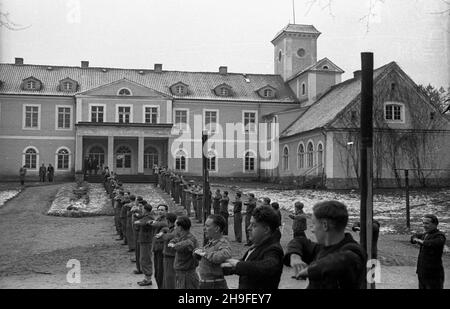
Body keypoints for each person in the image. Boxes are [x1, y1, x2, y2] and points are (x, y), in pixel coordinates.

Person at [284, 201, 367, 289]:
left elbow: (344, 260)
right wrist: (295, 256)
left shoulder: (354, 251)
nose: (312, 230)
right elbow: (298, 241)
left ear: (325, 225)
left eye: (314, 224)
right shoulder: (321, 248)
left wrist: (311, 270)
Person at [222, 206, 284, 289]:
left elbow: (267, 266)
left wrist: (237, 264)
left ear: (266, 229)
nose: (248, 228)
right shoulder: (258, 245)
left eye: (254, 225)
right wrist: (219, 265)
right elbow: (248, 265)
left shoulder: (273, 249)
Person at [194, 214, 232, 289]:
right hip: (206, 284)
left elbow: (223, 255)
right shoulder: (211, 243)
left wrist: (205, 254)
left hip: (215, 285)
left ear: (217, 228)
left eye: (207, 226)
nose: (204, 229)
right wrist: (197, 253)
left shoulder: (223, 243)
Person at [411, 214, 446, 289]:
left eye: (427, 223)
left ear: (435, 224)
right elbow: (413, 237)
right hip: (422, 272)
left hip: (433, 274)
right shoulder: (425, 234)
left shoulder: (439, 236)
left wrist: (420, 241)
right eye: (423, 223)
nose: (424, 225)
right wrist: (415, 239)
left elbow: (433, 243)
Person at [168, 216, 199, 289]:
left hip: (187, 275)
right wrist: (172, 242)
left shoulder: (190, 238)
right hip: (181, 274)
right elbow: (174, 240)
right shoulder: (181, 236)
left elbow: (186, 244)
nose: (175, 228)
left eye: (176, 226)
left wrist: (174, 245)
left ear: (180, 227)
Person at [134, 203, 155, 286]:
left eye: (142, 208)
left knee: (146, 259)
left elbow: (142, 223)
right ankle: (146, 278)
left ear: (145, 210)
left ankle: (148, 279)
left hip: (146, 241)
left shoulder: (149, 217)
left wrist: (138, 221)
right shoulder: (145, 217)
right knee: (143, 259)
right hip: (144, 240)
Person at [152, 204, 169, 289]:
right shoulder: (158, 219)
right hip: (156, 248)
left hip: (161, 249)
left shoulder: (165, 221)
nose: (160, 211)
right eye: (159, 210)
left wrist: (162, 230)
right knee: (157, 273)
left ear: (166, 211)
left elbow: (165, 226)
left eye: (162, 210)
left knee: (160, 273)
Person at [160, 213, 178, 289]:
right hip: (168, 256)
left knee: (170, 278)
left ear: (168, 220)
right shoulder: (171, 229)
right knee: (166, 277)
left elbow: (167, 237)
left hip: (170, 257)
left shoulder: (174, 231)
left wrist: (162, 234)